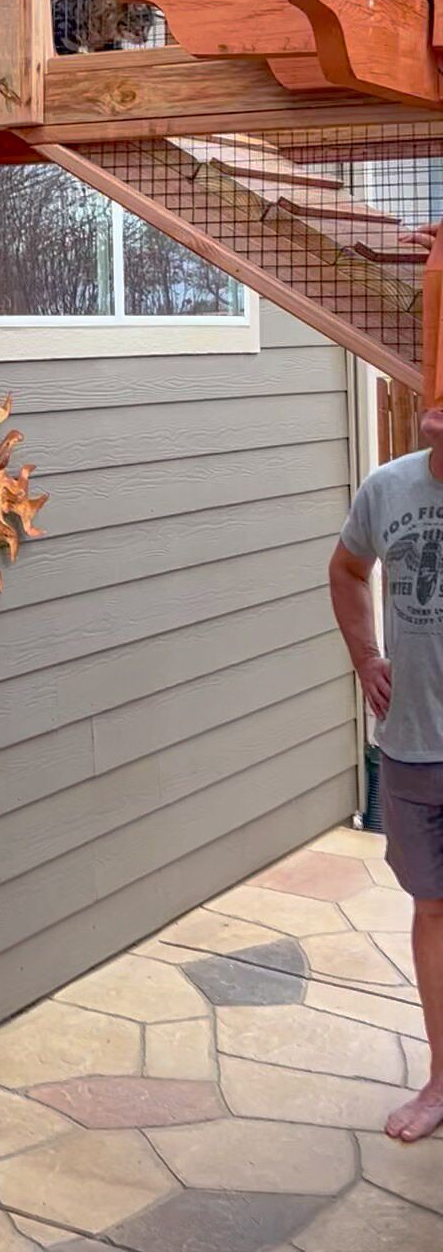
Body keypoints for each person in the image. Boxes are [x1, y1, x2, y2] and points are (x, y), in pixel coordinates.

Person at [331, 398, 443, 1141]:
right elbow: (346, 569)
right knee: (432, 912)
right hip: (413, 744)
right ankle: (441, 1083)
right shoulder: (389, 488)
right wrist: (366, 655)